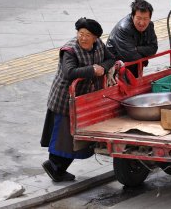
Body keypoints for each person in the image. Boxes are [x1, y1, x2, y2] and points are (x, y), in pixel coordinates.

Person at [40, 17, 115, 182]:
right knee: (64, 136)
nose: (83, 37)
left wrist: (103, 67)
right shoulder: (70, 50)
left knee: (75, 137)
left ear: (95, 37)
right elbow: (69, 72)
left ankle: (57, 168)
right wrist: (92, 70)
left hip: (84, 100)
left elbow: (111, 58)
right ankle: (54, 166)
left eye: (87, 35)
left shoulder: (99, 45)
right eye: (81, 33)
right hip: (65, 99)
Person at [106, 0, 158, 78]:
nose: (142, 23)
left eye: (145, 19)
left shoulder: (150, 25)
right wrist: (144, 57)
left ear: (150, 18)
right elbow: (131, 56)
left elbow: (154, 48)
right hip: (116, 67)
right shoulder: (123, 28)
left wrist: (137, 49)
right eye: (139, 18)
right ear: (132, 16)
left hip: (135, 66)